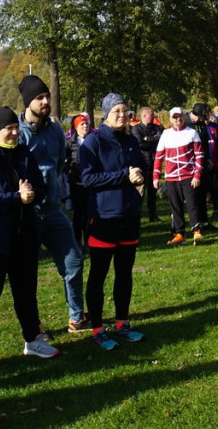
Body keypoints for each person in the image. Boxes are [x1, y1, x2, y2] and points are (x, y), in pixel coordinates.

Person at [0, 107, 59, 375]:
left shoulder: (23, 154)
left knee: (26, 293)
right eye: (9, 128)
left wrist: (32, 194)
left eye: (16, 127)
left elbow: (39, 187)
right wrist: (15, 197)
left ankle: (32, 339)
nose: (15, 132)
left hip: (23, 237)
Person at [17, 75, 88, 334]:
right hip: (27, 213)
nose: (46, 101)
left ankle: (77, 317)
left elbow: (57, 166)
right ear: (28, 102)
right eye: (39, 98)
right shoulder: (18, 133)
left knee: (73, 261)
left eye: (47, 96)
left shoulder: (56, 130)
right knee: (28, 274)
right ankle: (33, 327)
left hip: (53, 210)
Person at [79, 93, 147, 350]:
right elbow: (88, 179)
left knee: (124, 273)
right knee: (98, 274)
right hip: (103, 217)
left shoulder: (130, 140)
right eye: (117, 111)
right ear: (105, 114)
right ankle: (97, 327)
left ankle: (122, 323)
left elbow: (139, 168)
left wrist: (140, 177)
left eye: (125, 111)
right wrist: (124, 176)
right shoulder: (93, 142)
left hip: (128, 215)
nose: (122, 115)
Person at [153, 107, 205, 245]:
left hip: (188, 175)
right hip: (171, 177)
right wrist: (156, 176)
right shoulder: (166, 134)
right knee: (175, 206)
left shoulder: (192, 133)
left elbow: (199, 156)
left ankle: (196, 231)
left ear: (184, 117)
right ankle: (180, 234)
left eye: (180, 116)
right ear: (170, 119)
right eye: (174, 117)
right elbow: (159, 157)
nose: (177, 119)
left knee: (193, 205)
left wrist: (197, 175)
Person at [130, 106, 163, 222]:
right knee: (140, 194)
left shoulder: (156, 128)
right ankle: (136, 217)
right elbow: (140, 144)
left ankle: (153, 216)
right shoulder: (136, 129)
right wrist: (153, 140)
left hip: (155, 165)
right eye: (151, 114)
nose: (154, 116)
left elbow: (161, 139)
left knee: (152, 194)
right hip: (142, 166)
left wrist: (147, 139)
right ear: (144, 116)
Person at [65, 114, 91, 249]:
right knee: (78, 215)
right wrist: (69, 168)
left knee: (89, 214)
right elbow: (64, 162)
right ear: (76, 127)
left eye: (86, 124)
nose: (85, 126)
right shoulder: (70, 143)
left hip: (90, 182)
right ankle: (77, 241)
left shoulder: (94, 139)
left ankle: (88, 241)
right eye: (82, 124)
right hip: (76, 183)